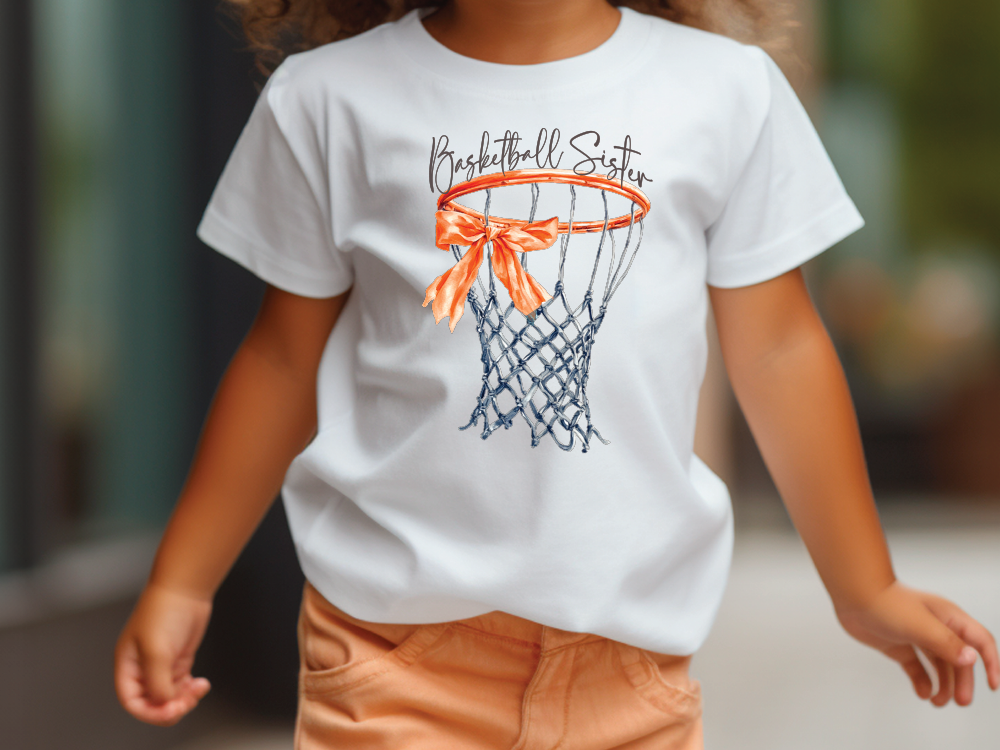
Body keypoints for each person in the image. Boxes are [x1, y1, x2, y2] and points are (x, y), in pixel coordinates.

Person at [114, 1, 1000, 748]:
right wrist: (184, 578)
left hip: (632, 672)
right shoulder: (325, 99)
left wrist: (866, 586)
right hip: (392, 657)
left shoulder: (726, 91)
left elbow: (779, 350)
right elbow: (280, 357)